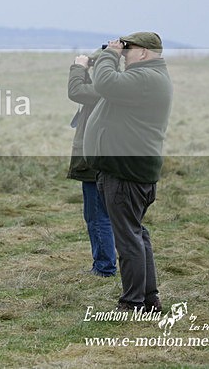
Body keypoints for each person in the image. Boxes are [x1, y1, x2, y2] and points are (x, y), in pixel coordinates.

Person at [83, 32, 173, 313]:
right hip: (129, 170)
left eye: (128, 50)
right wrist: (106, 55)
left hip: (125, 173)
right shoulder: (148, 77)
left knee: (129, 239)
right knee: (136, 233)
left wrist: (109, 54)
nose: (123, 54)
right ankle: (149, 298)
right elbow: (107, 81)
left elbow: (105, 82)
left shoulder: (145, 78)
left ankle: (132, 302)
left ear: (143, 52)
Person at [67, 48, 117, 278]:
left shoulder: (109, 88)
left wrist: (79, 67)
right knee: (103, 214)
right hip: (107, 156)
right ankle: (106, 264)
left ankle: (104, 267)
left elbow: (76, 91)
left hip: (95, 159)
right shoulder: (119, 84)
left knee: (97, 215)